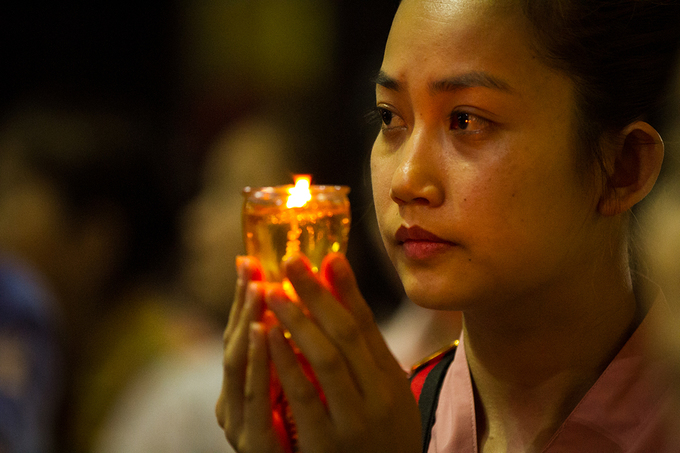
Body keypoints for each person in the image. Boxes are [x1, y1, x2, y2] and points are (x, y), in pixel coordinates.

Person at [216, 0, 680, 452]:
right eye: (389, 117)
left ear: (624, 166)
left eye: (466, 120)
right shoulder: (371, 424)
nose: (405, 180)